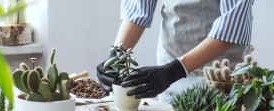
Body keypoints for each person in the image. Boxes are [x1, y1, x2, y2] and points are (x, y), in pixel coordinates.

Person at [97, 0, 254, 103]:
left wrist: (174, 70)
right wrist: (117, 55)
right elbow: (138, 9)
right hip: (169, 71)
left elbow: (233, 27)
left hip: (219, 77)